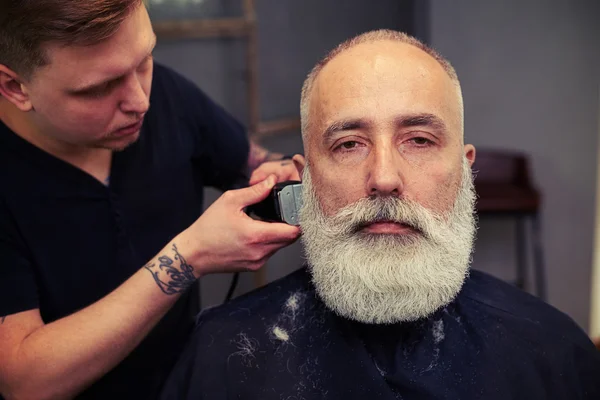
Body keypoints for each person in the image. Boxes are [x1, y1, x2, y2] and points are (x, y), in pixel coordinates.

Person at [159, 30, 600, 400]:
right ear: (304, 178)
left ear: (465, 171)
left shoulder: (555, 354)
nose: (385, 177)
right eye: (349, 144)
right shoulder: (219, 357)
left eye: (420, 140)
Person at [0, 1, 302, 399]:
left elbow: (255, 164)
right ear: (16, 88)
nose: (140, 101)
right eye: (99, 88)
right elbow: (26, 380)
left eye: (145, 60)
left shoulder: (168, 96)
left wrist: (279, 173)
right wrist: (188, 255)